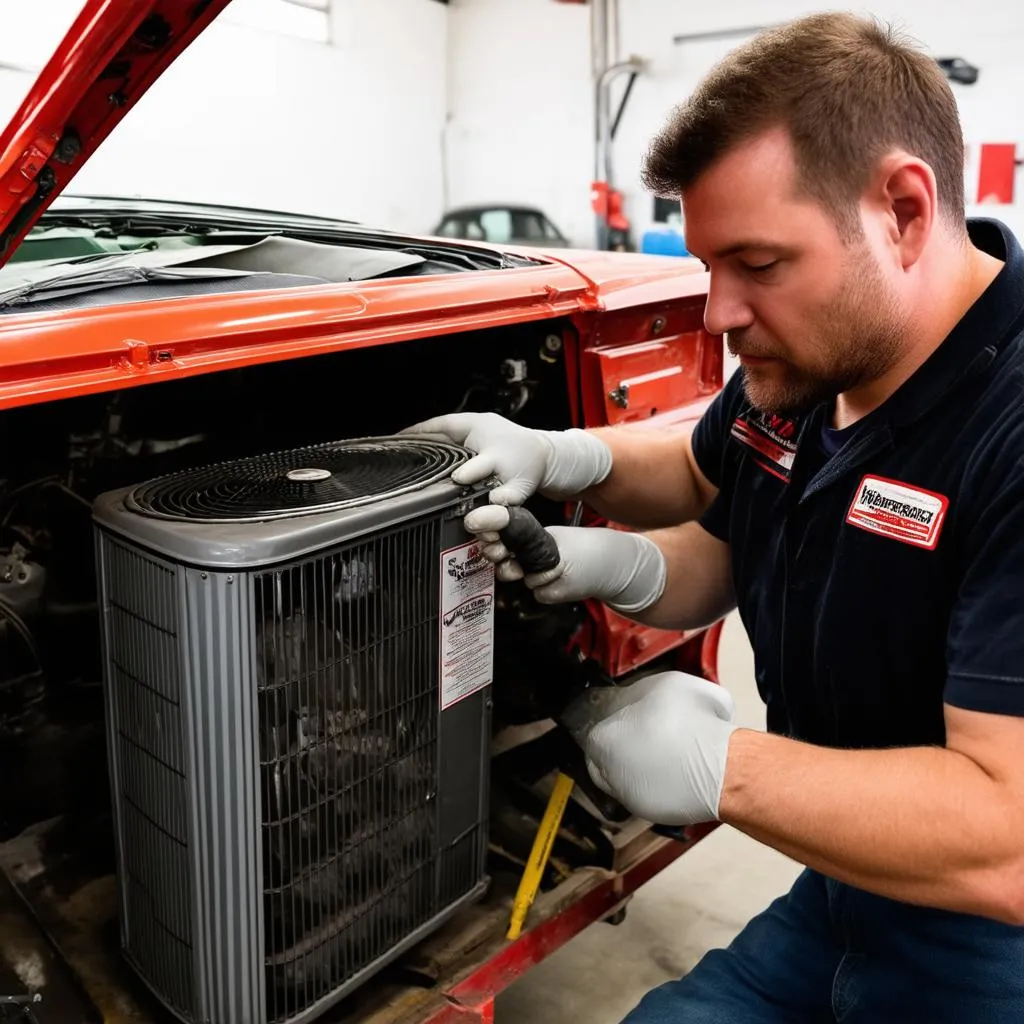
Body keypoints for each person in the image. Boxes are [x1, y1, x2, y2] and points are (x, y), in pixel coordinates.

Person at [404, 11, 1024, 1022]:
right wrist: (570, 466)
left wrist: (722, 768)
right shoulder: (821, 356)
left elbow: (1008, 840)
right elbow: (706, 493)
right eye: (707, 265)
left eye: (758, 263)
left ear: (904, 212)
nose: (717, 315)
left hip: (985, 946)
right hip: (842, 890)